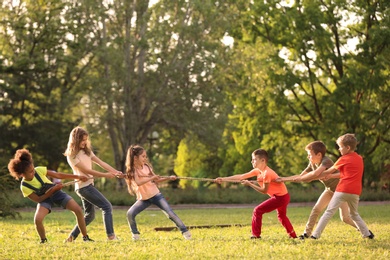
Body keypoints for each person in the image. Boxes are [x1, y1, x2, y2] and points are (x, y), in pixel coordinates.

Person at [8, 148, 93, 243]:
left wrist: (78, 177)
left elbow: (59, 175)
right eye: (30, 172)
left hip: (57, 194)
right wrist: (52, 190)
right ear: (22, 174)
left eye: (33, 169)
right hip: (44, 199)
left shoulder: (38, 170)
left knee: (78, 210)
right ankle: (43, 240)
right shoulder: (24, 187)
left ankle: (85, 237)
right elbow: (38, 199)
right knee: (38, 219)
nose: (33, 172)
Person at [276, 141, 357, 239]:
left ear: (319, 155)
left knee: (345, 218)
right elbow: (302, 176)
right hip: (329, 190)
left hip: (341, 191)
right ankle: (306, 233)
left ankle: (363, 230)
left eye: (310, 155)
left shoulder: (326, 161)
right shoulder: (312, 163)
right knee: (316, 209)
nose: (308, 157)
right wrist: (283, 179)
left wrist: (300, 178)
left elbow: (315, 175)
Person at [216, 149, 297, 239]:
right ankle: (293, 235)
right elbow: (241, 176)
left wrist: (250, 184)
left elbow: (264, 191)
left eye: (254, 159)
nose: (252, 161)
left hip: (280, 198)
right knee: (281, 216)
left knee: (257, 210)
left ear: (262, 160)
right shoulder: (258, 171)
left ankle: (256, 235)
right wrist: (223, 179)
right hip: (283, 196)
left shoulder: (267, 173)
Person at [310, 133, 374, 239]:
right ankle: (367, 234)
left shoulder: (343, 159)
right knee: (354, 214)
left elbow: (327, 171)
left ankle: (315, 235)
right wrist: (331, 176)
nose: (339, 149)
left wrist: (313, 176)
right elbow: (345, 174)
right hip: (355, 192)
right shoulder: (359, 158)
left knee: (329, 212)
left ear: (347, 148)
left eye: (340, 147)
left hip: (342, 190)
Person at [64, 126, 122, 242]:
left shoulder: (86, 151)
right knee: (107, 206)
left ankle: (71, 238)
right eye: (82, 140)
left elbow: (101, 162)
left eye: (86, 139)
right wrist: (105, 175)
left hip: (88, 186)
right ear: (75, 139)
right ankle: (111, 236)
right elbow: (87, 171)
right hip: (83, 188)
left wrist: (115, 172)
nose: (85, 142)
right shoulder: (72, 155)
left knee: (89, 216)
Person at [124, 145, 192, 240]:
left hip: (156, 195)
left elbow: (156, 180)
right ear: (135, 158)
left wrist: (168, 178)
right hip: (143, 199)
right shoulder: (132, 170)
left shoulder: (147, 167)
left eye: (145, 156)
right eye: (143, 156)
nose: (145, 158)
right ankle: (135, 235)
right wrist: (151, 178)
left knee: (170, 214)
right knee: (130, 213)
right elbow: (138, 182)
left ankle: (185, 232)